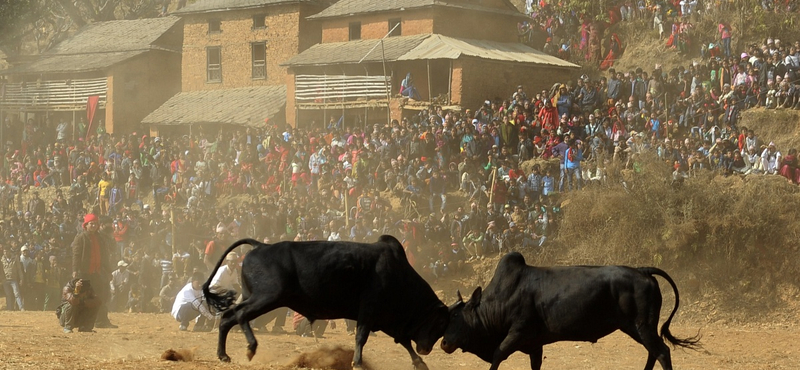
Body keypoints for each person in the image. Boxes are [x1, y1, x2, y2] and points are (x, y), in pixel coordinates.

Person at [71, 213, 117, 328]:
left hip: (97, 272)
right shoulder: (80, 238)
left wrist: (108, 270)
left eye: (95, 224)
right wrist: (75, 269)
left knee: (100, 297)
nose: (93, 226)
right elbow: (76, 254)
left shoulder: (100, 238)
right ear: (85, 225)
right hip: (84, 272)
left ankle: (101, 321)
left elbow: (104, 255)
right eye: (91, 224)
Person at [2, 246, 25, 311]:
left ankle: (21, 307)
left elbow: (19, 269)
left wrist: (21, 278)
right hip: (5, 279)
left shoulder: (15, 258)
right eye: (4, 251)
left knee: (17, 293)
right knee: (8, 295)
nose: (5, 253)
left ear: (9, 251)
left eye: (7, 251)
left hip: (13, 279)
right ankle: (9, 308)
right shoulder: (2, 259)